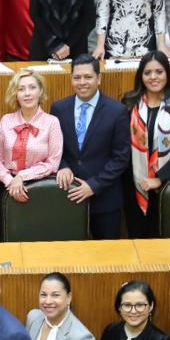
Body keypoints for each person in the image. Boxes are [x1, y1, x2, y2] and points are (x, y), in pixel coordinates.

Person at [120, 51, 170, 238]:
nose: (153, 77)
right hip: (134, 185)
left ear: (167, 74)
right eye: (147, 73)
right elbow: (122, 146)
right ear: (141, 75)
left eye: (159, 72)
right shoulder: (129, 102)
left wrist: (160, 178)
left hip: (169, 185)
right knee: (136, 239)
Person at [52, 55, 130, 239]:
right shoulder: (59, 108)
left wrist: (94, 185)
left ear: (99, 78)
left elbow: (121, 157)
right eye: (77, 77)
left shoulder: (117, 111)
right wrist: (62, 166)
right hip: (68, 195)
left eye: (88, 77)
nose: (82, 82)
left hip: (105, 199)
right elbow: (54, 147)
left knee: (107, 255)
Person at [0, 69, 63, 206]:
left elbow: (53, 162)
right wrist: (11, 182)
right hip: (7, 187)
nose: (27, 93)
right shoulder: (5, 121)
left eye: (32, 87)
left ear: (40, 91)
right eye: (21, 89)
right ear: (16, 94)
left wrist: (22, 176)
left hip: (40, 186)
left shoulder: (52, 122)